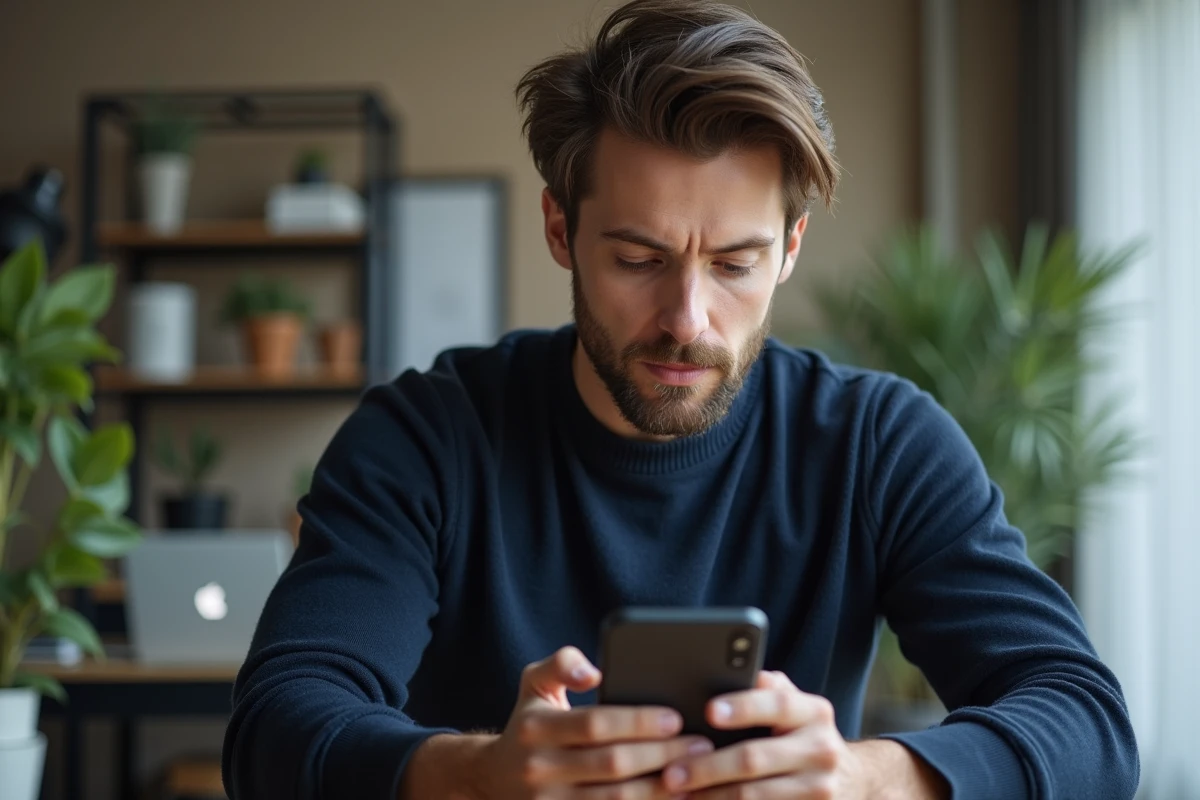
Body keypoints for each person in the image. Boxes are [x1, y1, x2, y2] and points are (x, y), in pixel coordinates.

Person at [222, 1, 1139, 798]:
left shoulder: (880, 442)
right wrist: (477, 775)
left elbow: (1087, 724)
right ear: (560, 229)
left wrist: (864, 780)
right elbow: (277, 725)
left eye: (735, 264)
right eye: (639, 259)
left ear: (790, 248)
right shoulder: (424, 438)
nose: (687, 320)